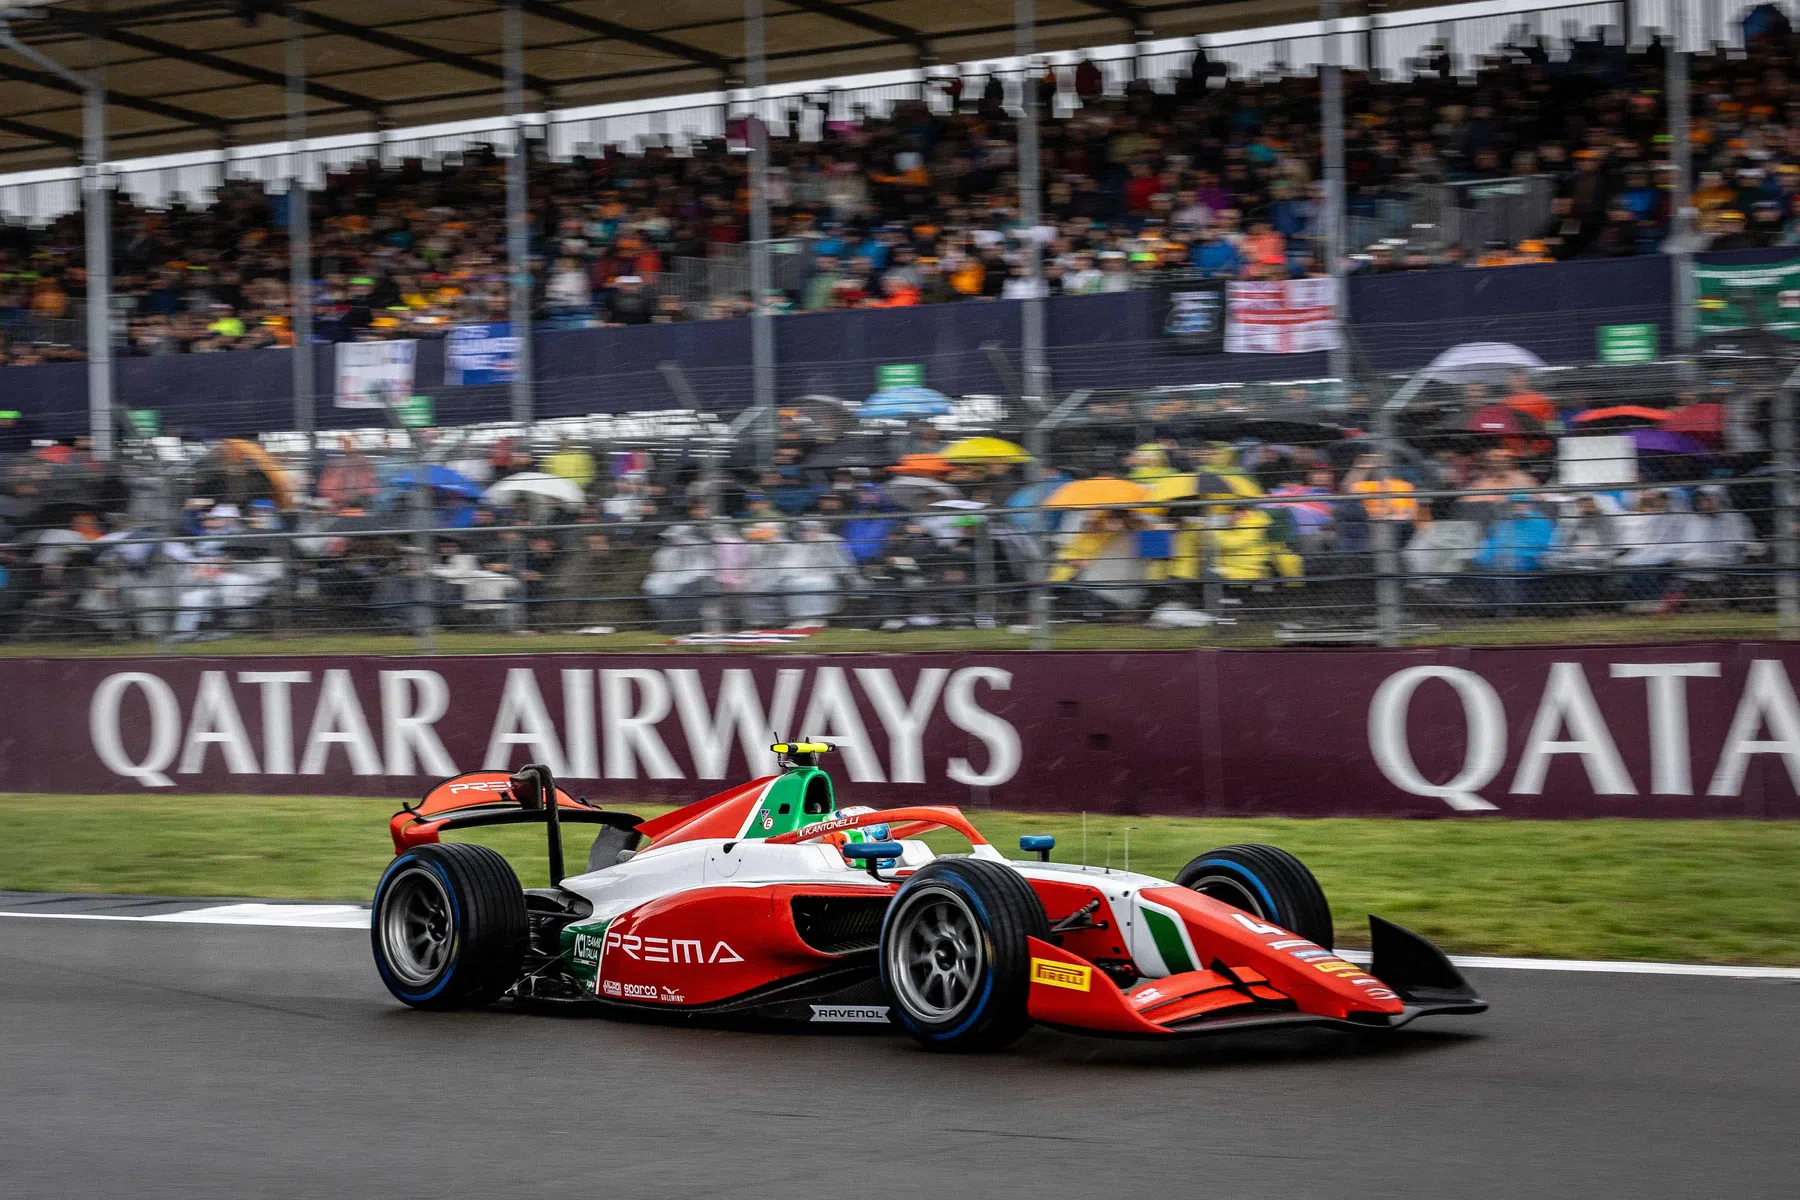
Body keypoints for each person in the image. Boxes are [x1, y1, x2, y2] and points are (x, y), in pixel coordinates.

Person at [1471, 497, 1555, 616]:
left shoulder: (1539, 521)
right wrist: (1485, 555)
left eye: (1522, 503)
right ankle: (1492, 608)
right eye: (1515, 504)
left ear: (1529, 505)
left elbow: (1541, 543)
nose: (1518, 507)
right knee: (1487, 563)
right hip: (1501, 559)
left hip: (1527, 559)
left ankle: (1509, 607)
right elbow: (1492, 541)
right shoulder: (1504, 522)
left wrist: (1512, 551)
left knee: (1505, 561)